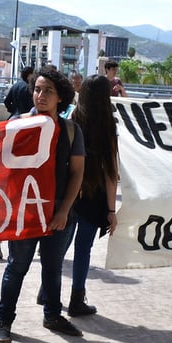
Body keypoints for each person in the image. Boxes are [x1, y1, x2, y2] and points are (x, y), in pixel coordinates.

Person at [0, 67, 85, 343]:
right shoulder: (18, 125)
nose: (40, 96)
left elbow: (77, 173)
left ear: (61, 98)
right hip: (25, 212)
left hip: (59, 213)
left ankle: (52, 315)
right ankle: (4, 321)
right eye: (37, 89)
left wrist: (63, 210)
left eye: (48, 91)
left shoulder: (71, 130)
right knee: (16, 267)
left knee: (52, 267)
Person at [67, 75, 118, 316]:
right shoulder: (108, 126)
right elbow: (111, 172)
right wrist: (111, 210)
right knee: (83, 249)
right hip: (93, 194)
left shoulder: (72, 119)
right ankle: (77, 298)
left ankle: (47, 290)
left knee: (58, 246)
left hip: (69, 193)